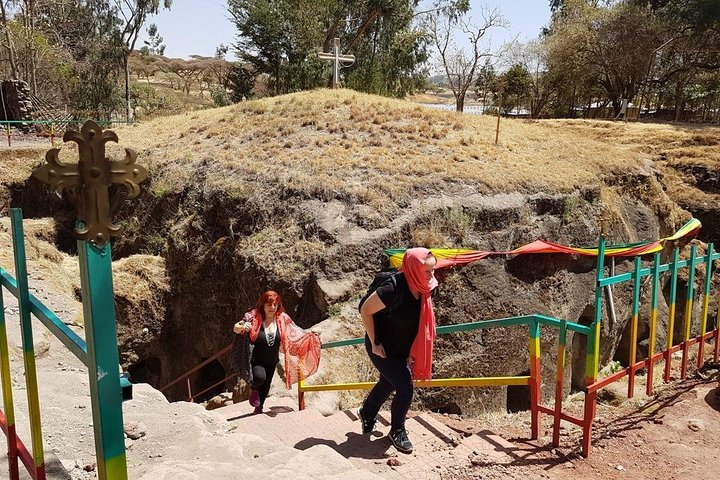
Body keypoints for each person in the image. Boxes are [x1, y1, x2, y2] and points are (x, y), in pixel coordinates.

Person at [358, 247, 438, 453]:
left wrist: (414, 351)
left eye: (433, 271)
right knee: (404, 385)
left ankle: (367, 412)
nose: (431, 276)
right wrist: (375, 342)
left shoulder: (426, 287)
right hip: (381, 346)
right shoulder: (393, 288)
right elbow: (365, 310)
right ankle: (397, 430)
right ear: (413, 269)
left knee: (388, 381)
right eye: (427, 271)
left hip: (402, 348)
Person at [233, 290, 321, 414]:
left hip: (272, 359)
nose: (272, 308)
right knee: (259, 378)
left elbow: (296, 331)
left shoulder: (282, 319)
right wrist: (243, 327)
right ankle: (253, 389)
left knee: (267, 384)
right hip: (257, 358)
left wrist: (311, 335)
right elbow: (236, 328)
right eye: (269, 305)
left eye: (275, 305)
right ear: (262, 305)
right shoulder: (253, 317)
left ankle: (259, 408)